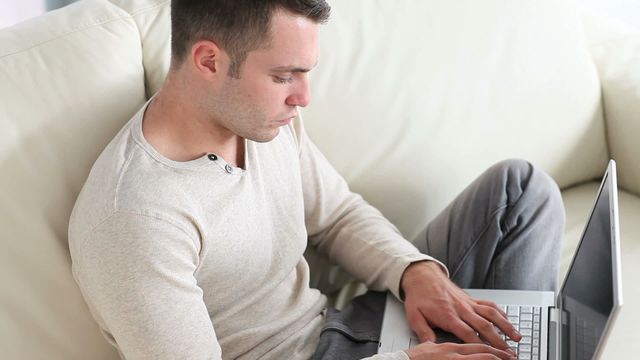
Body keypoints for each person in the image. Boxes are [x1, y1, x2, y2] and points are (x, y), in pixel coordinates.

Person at [68, 1, 564, 359]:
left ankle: (519, 347)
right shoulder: (135, 221)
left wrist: (414, 272)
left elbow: (338, 216)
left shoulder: (260, 123)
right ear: (209, 61)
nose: (304, 97)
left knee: (520, 191)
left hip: (348, 326)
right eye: (285, 76)